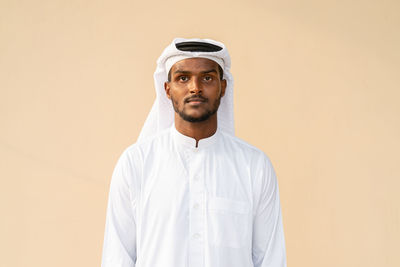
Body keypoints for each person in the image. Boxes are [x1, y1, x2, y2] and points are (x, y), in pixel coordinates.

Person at [101, 38, 287, 267]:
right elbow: (117, 257)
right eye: (183, 78)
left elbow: (270, 259)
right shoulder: (136, 164)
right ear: (167, 89)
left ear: (223, 87)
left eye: (207, 78)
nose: (195, 87)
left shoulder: (254, 167)